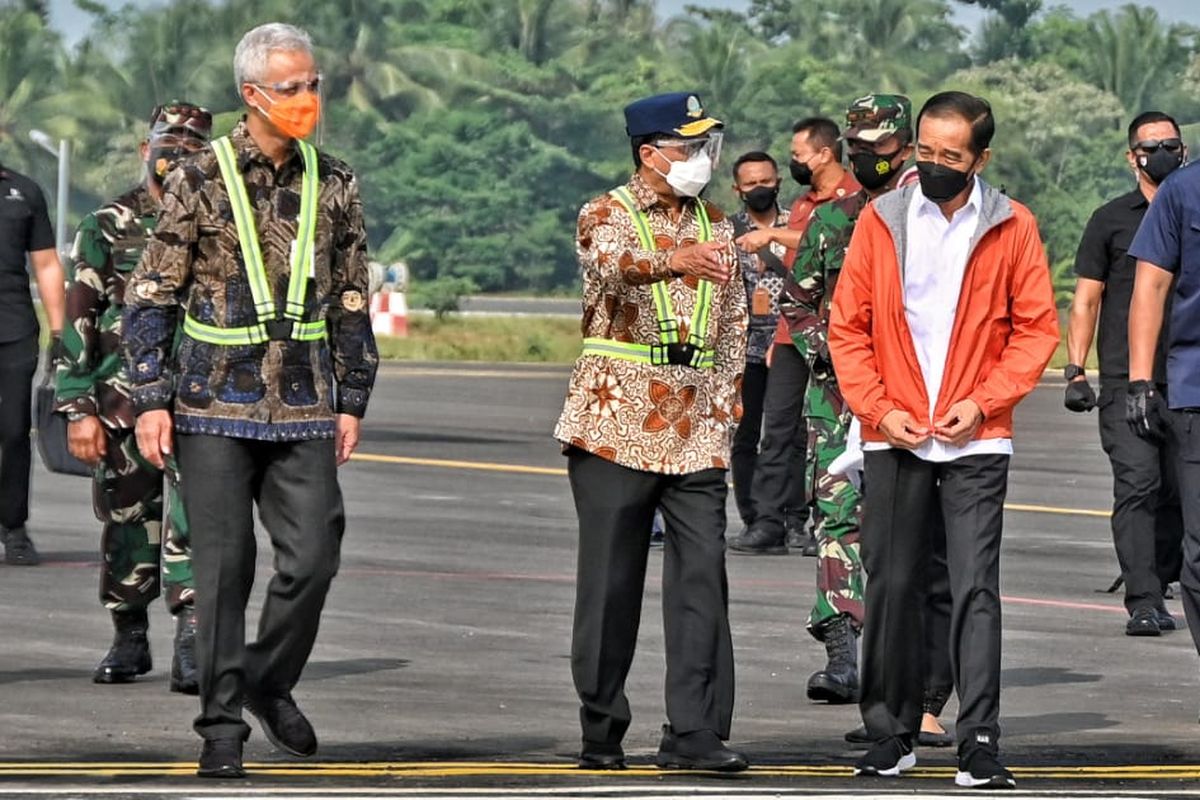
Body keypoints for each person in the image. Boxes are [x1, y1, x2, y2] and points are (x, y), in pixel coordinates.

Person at [123, 22, 378, 778]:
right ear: (252, 95)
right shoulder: (199, 177)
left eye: (313, 84)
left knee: (315, 557)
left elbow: (353, 294)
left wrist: (354, 394)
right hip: (210, 403)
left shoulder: (335, 180)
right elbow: (152, 293)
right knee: (224, 571)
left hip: (303, 403)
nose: (308, 99)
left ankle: (268, 681)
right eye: (291, 87)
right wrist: (149, 397)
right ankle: (221, 727)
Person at [829, 91, 1058, 788]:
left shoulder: (1013, 225)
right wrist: (876, 410)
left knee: (973, 589)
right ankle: (891, 732)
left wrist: (983, 402)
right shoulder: (882, 219)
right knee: (892, 585)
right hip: (893, 433)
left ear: (980, 158)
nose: (933, 165)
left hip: (976, 439)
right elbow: (850, 326)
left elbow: (1036, 330)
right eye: (924, 152)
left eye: (950, 157)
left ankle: (980, 737)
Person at [554, 91, 748, 772]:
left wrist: (729, 404)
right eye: (688, 147)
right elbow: (610, 267)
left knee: (702, 579)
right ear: (650, 152)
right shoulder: (605, 214)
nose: (701, 160)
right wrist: (674, 261)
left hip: (696, 424)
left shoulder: (717, 225)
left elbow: (732, 325)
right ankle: (601, 729)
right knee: (612, 582)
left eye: (705, 146)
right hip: (616, 421)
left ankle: (694, 731)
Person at [55, 101, 212, 690]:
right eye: (169, 141)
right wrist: (77, 407)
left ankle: (193, 636)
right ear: (146, 148)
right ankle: (129, 634)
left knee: (198, 517)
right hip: (121, 402)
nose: (178, 152)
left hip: (199, 399)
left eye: (193, 145)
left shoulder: (219, 224)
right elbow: (79, 320)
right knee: (127, 519)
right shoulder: (107, 223)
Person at [789, 94, 914, 706]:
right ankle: (843, 655)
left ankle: (913, 667)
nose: (870, 159)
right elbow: (795, 301)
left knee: (909, 529)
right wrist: (827, 349)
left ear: (907, 145)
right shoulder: (833, 222)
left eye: (881, 148)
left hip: (912, 401)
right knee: (837, 522)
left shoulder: (930, 223)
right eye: (859, 149)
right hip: (838, 401)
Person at [1066, 111, 1185, 636]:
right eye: (1150, 144)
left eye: (1171, 143)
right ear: (1131, 155)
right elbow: (1087, 300)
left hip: (1186, 377)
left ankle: (1161, 576)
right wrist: (1075, 369)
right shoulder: (1111, 219)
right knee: (1137, 485)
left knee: (1181, 492)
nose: (1162, 152)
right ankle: (1143, 598)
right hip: (1123, 379)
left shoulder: (1194, 211)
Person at [731, 118, 860, 555]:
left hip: (838, 331)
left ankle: (825, 521)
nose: (795, 162)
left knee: (828, 432)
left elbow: (820, 242)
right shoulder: (804, 203)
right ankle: (767, 522)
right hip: (791, 331)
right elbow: (796, 269)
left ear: (824, 154)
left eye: (798, 155)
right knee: (777, 429)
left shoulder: (856, 200)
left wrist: (769, 234)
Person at [1127, 111, 1200, 698]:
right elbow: (1150, 285)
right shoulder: (1182, 190)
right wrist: (1139, 381)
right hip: (1195, 392)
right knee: (1199, 554)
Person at [0, 159, 66, 565]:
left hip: (14, 329)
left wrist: (60, 332)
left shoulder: (23, 192)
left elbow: (45, 264)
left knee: (11, 433)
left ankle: (13, 526)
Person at [728, 151, 790, 535]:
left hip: (789, 345)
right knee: (745, 436)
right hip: (743, 350)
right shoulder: (728, 232)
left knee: (788, 436)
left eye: (765, 181)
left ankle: (790, 515)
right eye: (750, 183)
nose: (759, 189)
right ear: (737, 189)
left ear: (779, 180)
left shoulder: (795, 225)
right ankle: (754, 517)